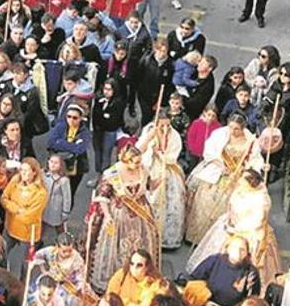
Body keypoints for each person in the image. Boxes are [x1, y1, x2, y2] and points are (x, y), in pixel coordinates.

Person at [186, 169, 280, 290]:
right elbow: (231, 206)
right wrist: (230, 220)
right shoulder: (239, 190)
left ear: (251, 184)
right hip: (232, 224)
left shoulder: (261, 200)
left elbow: (257, 222)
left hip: (249, 232)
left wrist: (237, 229)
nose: (239, 182)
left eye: (243, 181)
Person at [87, 145, 160, 292]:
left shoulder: (142, 169)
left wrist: (160, 178)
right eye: (136, 162)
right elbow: (102, 197)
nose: (139, 165)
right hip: (119, 214)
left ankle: (140, 277)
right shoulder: (112, 173)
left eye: (140, 162)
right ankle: (116, 281)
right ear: (127, 160)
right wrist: (107, 216)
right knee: (116, 249)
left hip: (141, 214)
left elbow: (149, 186)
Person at [184, 113, 262, 244]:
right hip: (217, 171)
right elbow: (209, 151)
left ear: (243, 128)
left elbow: (255, 159)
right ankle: (198, 238)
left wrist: (257, 168)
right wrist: (220, 164)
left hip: (238, 176)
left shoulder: (251, 141)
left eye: (236, 129)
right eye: (231, 127)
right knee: (206, 203)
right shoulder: (220, 134)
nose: (232, 131)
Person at [136, 111, 186, 249]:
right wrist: (151, 147)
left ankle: (165, 238)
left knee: (173, 202)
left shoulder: (174, 135)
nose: (165, 129)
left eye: (167, 125)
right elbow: (138, 150)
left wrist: (162, 155)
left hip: (168, 169)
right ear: (156, 123)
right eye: (161, 125)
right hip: (151, 168)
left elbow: (174, 154)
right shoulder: (149, 131)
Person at [186, 235, 262, 306]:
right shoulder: (214, 260)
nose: (238, 252)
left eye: (242, 250)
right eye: (234, 248)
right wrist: (205, 301)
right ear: (228, 249)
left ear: (247, 253)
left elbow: (253, 300)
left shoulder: (251, 273)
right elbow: (193, 281)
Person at [1, 156, 48, 252]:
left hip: (27, 233)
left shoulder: (41, 193)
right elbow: (4, 199)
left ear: (34, 172)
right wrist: (17, 209)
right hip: (10, 227)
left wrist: (11, 210)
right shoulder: (15, 180)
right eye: (22, 170)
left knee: (24, 263)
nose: (23, 173)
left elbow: (29, 216)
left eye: (26, 170)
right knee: (2, 252)